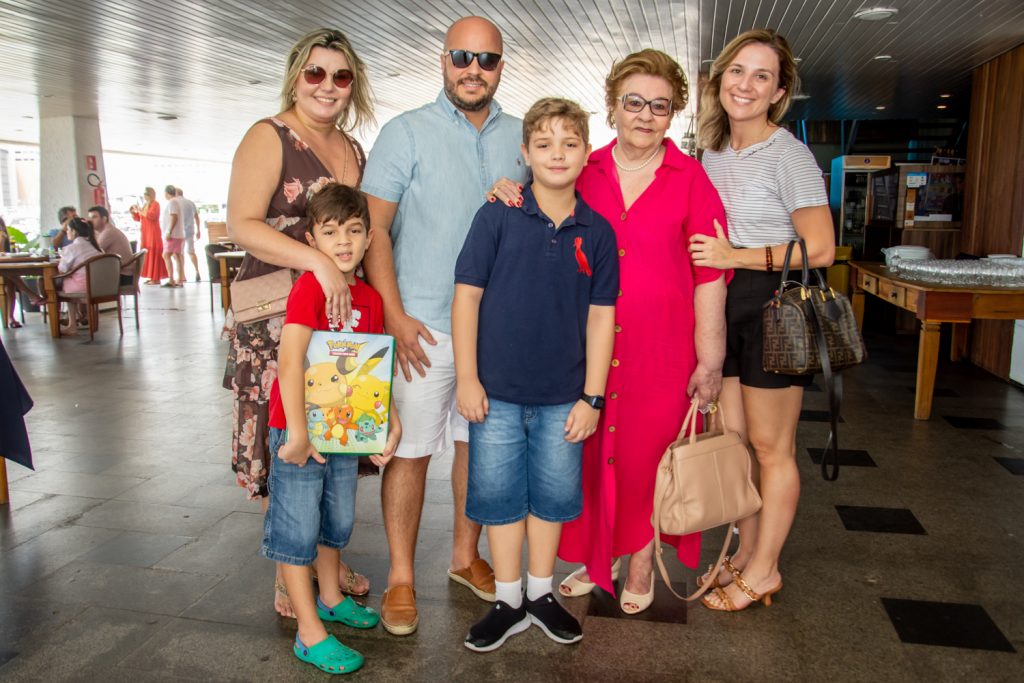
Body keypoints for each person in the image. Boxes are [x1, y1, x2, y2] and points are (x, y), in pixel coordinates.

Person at [492, 49, 730, 614]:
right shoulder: (585, 168)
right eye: (634, 103)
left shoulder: (691, 179)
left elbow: (711, 275)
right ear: (613, 107)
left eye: (660, 106)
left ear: (672, 114)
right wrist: (505, 189)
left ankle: (640, 560)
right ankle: (600, 558)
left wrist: (710, 359)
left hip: (660, 351)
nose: (645, 116)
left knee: (648, 456)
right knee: (592, 458)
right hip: (585, 348)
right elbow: (534, 207)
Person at [361, 15, 527, 636]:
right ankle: (402, 577)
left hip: (497, 331)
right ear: (443, 61)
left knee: (475, 445)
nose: (473, 70)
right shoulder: (406, 133)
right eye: (462, 57)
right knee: (409, 452)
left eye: (486, 60)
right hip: (424, 328)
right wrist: (396, 315)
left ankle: (464, 557)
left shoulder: (523, 135)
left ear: (501, 67)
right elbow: (374, 229)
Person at [453, 98, 617, 652]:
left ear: (586, 154)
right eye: (543, 144)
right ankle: (507, 599)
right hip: (494, 393)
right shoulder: (496, 215)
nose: (557, 154)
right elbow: (466, 299)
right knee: (499, 498)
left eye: (570, 144)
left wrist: (592, 398)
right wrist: (468, 378)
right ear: (525, 152)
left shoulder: (596, 231)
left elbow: (602, 318)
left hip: (563, 396)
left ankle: (541, 593)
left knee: (550, 497)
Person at [225, 27, 374, 619]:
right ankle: (294, 577)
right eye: (316, 73)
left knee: (331, 432)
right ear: (296, 76)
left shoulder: (353, 149)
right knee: (289, 438)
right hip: (276, 314)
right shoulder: (270, 136)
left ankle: (321, 564)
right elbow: (242, 223)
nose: (328, 86)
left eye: (341, 76)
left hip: (333, 315)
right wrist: (315, 259)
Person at [688, 29, 834, 612]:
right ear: (720, 79)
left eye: (762, 76)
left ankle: (766, 569)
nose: (745, 85)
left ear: (778, 92)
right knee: (737, 442)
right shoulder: (712, 150)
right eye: (737, 72)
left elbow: (820, 248)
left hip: (774, 302)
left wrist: (735, 257)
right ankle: (746, 555)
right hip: (725, 303)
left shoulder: (788, 153)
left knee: (773, 448)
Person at [262, 182, 399, 674]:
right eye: (331, 231)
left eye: (354, 230)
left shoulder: (370, 299)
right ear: (313, 239)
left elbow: (374, 368)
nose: (343, 241)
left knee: (336, 521)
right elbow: (290, 358)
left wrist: (390, 422)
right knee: (297, 529)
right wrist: (297, 434)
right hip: (300, 433)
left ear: (368, 241)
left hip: (342, 433)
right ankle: (308, 631)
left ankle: (329, 597)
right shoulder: (310, 288)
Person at [56, 217, 103, 335]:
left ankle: (72, 323)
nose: (67, 232)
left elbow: (62, 269)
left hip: (82, 287)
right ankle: (79, 316)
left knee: (62, 283)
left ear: (74, 231)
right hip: (98, 285)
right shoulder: (97, 248)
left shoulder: (71, 248)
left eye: (68, 230)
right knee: (70, 280)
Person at [88, 206, 134, 286]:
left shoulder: (108, 232)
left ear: (104, 219)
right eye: (90, 218)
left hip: (123, 275)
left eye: (94, 217)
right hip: (119, 272)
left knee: (86, 281)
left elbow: (93, 253)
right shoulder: (104, 231)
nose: (90, 221)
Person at [130, 187, 167, 284]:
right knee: (148, 253)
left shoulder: (156, 204)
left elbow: (151, 216)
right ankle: (152, 276)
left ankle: (156, 278)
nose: (145, 196)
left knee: (154, 252)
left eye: (146, 194)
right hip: (146, 233)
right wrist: (133, 212)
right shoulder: (146, 205)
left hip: (153, 233)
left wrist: (140, 210)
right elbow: (140, 218)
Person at [175, 187, 202, 281]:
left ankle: (183, 276)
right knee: (191, 252)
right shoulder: (190, 203)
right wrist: (199, 230)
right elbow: (197, 217)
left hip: (179, 232)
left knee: (180, 254)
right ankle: (197, 271)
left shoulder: (175, 203)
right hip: (190, 230)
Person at [161, 185, 186, 287]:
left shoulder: (172, 202)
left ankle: (171, 279)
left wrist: (169, 231)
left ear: (167, 193)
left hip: (173, 235)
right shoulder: (175, 202)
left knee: (166, 255)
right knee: (177, 255)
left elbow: (174, 217)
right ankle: (179, 279)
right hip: (178, 234)